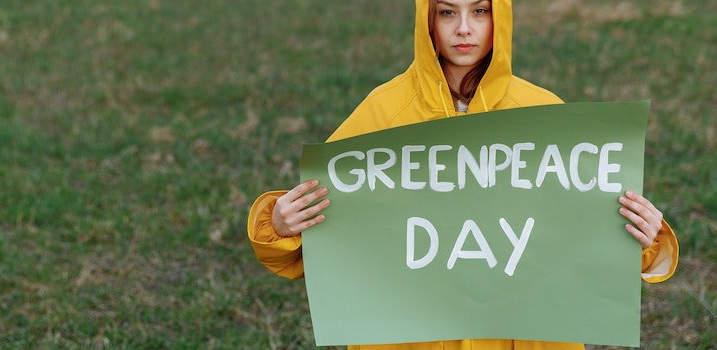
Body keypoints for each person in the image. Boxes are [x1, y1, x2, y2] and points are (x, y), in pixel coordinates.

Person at [247, 0, 679, 348]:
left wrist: (646, 240)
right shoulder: (383, 111)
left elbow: (583, 229)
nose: (464, 29)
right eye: (448, 12)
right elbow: (331, 228)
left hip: (526, 337)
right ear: (427, 19)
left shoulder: (542, 113)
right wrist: (280, 225)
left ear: (501, 16)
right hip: (409, 338)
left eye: (480, 10)